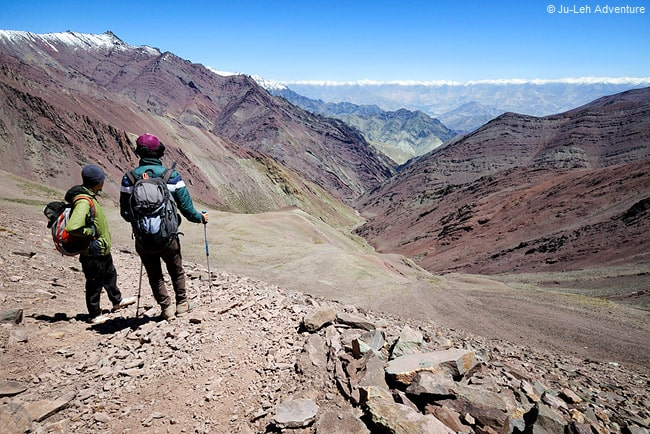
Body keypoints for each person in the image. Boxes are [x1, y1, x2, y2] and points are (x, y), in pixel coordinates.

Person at [120, 133, 208, 320]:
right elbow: (187, 209)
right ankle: (182, 304)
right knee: (176, 269)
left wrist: (143, 223)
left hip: (144, 238)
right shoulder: (171, 176)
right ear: (159, 152)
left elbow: (125, 213)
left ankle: (166, 308)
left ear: (139, 152)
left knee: (154, 274)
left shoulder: (128, 178)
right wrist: (201, 218)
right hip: (169, 237)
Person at [65, 164, 136, 324]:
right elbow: (73, 227)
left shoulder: (89, 197)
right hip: (92, 251)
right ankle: (94, 314)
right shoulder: (84, 201)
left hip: (101, 248)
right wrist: (90, 233)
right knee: (94, 282)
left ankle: (117, 301)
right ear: (97, 182)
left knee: (110, 275)